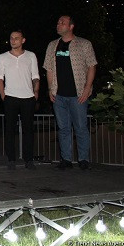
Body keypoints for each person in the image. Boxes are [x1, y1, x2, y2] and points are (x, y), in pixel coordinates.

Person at [43, 15, 97, 170]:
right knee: (63, 128)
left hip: (78, 95)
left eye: (62, 23)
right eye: (58, 22)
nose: (58, 24)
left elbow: (92, 66)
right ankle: (66, 159)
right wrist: (50, 89)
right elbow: (49, 69)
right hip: (59, 95)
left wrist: (87, 88)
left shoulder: (84, 44)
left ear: (71, 26)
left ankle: (83, 159)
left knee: (81, 128)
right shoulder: (52, 45)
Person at [0, 30, 40, 170]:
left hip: (28, 97)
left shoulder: (31, 56)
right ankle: (11, 159)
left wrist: (36, 92)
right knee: (9, 130)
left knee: (28, 130)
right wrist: (3, 95)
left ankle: (29, 159)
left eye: (16, 38)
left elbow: (35, 76)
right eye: (11, 38)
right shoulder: (3, 57)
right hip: (10, 97)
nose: (13, 40)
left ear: (23, 40)